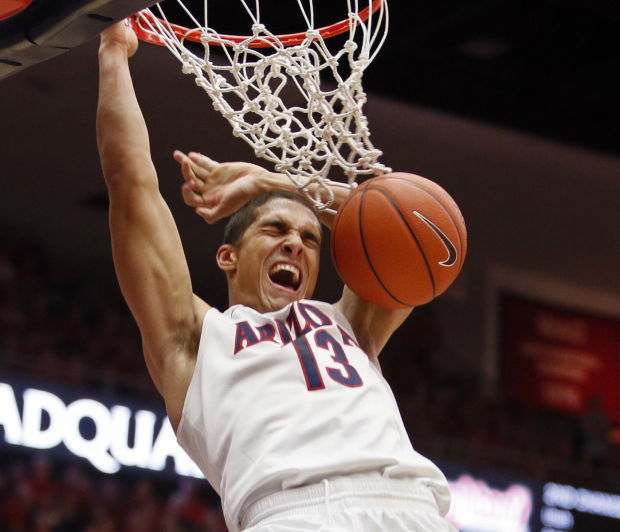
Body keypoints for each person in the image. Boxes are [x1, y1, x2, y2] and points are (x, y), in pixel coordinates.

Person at [97, 21, 456, 532]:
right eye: (275, 229)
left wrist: (272, 181)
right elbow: (130, 185)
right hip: (292, 514)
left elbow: (411, 228)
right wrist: (113, 51)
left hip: (414, 510)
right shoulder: (195, 339)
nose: (295, 243)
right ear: (228, 257)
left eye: (310, 240)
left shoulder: (352, 321)